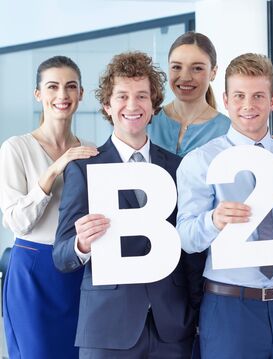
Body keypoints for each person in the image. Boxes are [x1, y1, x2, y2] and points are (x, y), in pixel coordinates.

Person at [53, 51, 204, 358]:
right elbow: (61, 255)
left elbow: (191, 252)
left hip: (172, 327)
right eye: (122, 96)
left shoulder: (178, 167)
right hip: (107, 327)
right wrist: (81, 244)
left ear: (153, 106)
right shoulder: (84, 168)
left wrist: (198, 313)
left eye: (142, 96)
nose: (132, 105)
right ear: (108, 106)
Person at [176, 53, 273, 359]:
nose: (248, 106)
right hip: (229, 310)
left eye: (257, 96)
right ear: (226, 100)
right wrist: (213, 220)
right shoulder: (201, 161)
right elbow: (186, 239)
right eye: (239, 96)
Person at [0, 56, 98, 359]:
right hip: (33, 270)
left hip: (78, 268)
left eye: (70, 87)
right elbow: (17, 221)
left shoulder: (91, 149)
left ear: (81, 94)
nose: (62, 95)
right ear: (38, 94)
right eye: (52, 87)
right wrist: (54, 169)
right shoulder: (16, 148)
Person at [148, 31, 230, 157]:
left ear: (213, 72)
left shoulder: (228, 131)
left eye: (197, 68)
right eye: (176, 67)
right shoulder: (148, 121)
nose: (185, 77)